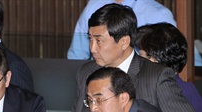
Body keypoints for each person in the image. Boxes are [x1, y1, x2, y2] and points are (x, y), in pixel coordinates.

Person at [67, 3, 202, 112]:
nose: (92, 48)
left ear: (124, 41)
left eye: (99, 40)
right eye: (90, 39)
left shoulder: (155, 77)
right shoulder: (86, 72)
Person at [67, 0, 202, 66]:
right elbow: (76, 56)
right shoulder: (94, 6)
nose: (93, 48)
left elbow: (188, 61)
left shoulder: (157, 14)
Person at [134, 23, 202, 112]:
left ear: (155, 59)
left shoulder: (175, 92)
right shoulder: (187, 89)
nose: (137, 62)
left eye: (141, 56)